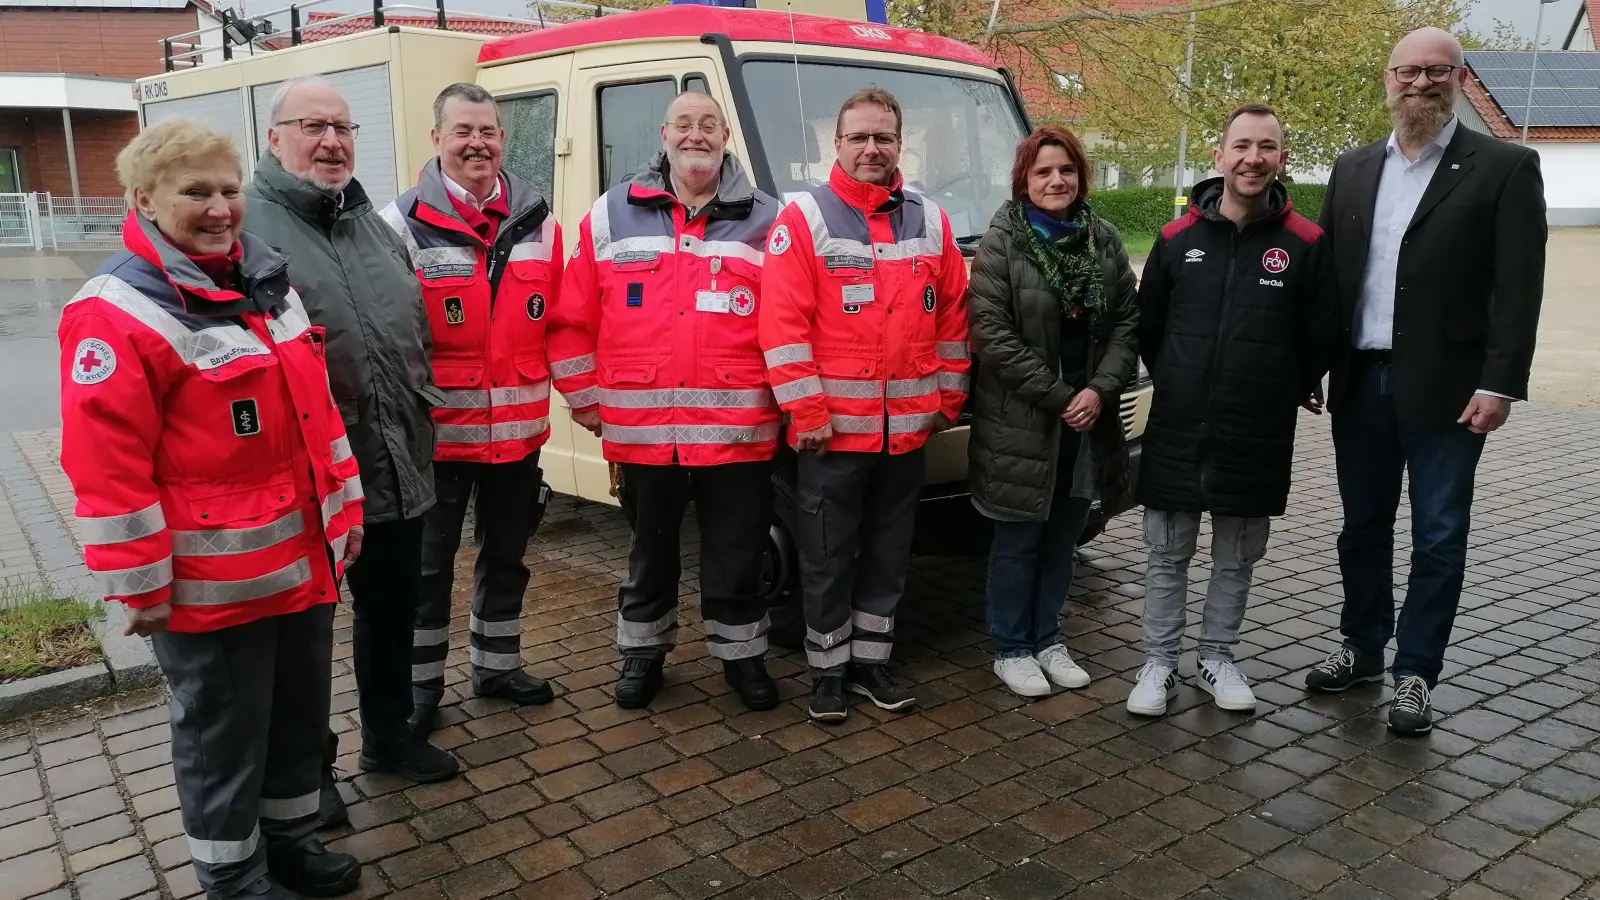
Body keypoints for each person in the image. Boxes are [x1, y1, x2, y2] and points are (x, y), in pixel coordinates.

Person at [60, 117, 365, 900]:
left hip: (300, 562)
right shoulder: (118, 309)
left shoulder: (266, 281)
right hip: (205, 586)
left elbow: (319, 412)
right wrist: (138, 583)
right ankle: (234, 877)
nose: (221, 208)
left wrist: (346, 509)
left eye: (230, 190)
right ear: (145, 200)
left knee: (297, 717)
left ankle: (291, 843)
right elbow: (107, 465)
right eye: (196, 192)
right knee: (222, 734)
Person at [1306, 28, 1546, 735]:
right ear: (1388, 78)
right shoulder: (1352, 170)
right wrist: (1314, 363)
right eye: (1408, 70)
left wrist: (1500, 383)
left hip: (1450, 390)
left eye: (1436, 70)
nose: (1420, 82)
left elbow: (1518, 287)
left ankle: (1416, 672)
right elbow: (1329, 283)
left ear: (1459, 79)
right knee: (1362, 528)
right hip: (1360, 382)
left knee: (1439, 535)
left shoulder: (1504, 167)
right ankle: (1361, 648)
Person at [244, 77, 458, 819]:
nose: (331, 141)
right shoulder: (248, 228)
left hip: (395, 457)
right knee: (304, 639)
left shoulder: (372, 222)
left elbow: (411, 330)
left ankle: (389, 736)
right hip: (307, 475)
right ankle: (310, 775)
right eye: (313, 126)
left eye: (343, 127)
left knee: (392, 610)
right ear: (276, 138)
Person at [548, 92, 783, 710]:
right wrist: (584, 397)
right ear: (664, 134)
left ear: (724, 134)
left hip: (738, 429)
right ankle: (642, 655)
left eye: (708, 124)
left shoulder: (769, 219)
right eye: (684, 124)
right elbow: (572, 318)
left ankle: (743, 659)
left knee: (738, 554)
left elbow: (789, 323)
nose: (696, 135)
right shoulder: (610, 214)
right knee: (649, 554)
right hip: (644, 430)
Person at [760, 87, 971, 722]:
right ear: (839, 143)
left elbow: (954, 321)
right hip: (832, 439)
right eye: (859, 137)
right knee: (826, 557)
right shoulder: (804, 221)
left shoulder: (930, 222)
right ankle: (827, 672)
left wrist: (948, 401)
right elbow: (781, 327)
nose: (872, 148)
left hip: (906, 436)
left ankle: (872, 664)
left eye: (883, 137)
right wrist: (809, 415)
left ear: (899, 145)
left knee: (888, 555)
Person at [1129, 104, 1341, 718]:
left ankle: (1216, 657)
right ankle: (1160, 664)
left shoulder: (1306, 243)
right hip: (1178, 424)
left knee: (1236, 553)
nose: (1253, 158)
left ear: (1282, 159)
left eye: (1267, 147)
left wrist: (1281, 385)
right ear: (1219, 156)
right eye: (1241, 146)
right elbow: (1150, 326)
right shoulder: (1175, 241)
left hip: (1257, 429)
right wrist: (1182, 381)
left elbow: (1322, 332)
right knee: (1167, 550)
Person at [379, 83, 562, 734]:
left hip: (517, 437)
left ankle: (497, 665)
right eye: (463, 131)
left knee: (506, 557)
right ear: (436, 140)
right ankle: (419, 689)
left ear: (503, 140)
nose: (477, 143)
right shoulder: (397, 225)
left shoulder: (541, 224)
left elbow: (561, 324)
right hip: (438, 441)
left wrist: (588, 398)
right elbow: (389, 338)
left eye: (488, 131)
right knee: (427, 570)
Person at [964, 126, 1139, 698]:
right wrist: (1063, 396)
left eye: (1065, 170)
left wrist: (1099, 391)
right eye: (1043, 172)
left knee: (1063, 538)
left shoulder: (1105, 240)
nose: (1056, 180)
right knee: (1017, 541)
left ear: (1080, 176)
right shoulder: (1003, 242)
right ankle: (1011, 647)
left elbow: (1125, 325)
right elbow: (991, 334)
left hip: (1087, 421)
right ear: (1024, 180)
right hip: (1021, 420)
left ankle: (1048, 638)